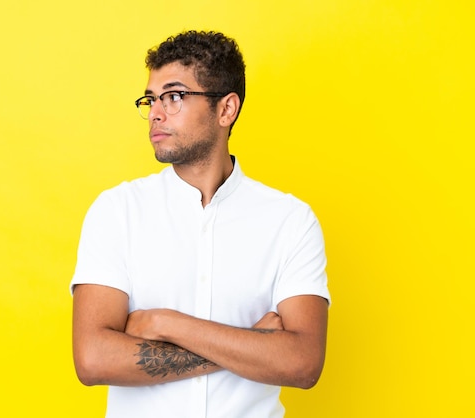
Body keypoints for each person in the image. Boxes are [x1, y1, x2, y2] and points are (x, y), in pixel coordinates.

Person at [70, 30, 330, 418]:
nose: (156, 112)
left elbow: (302, 364)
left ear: (226, 109)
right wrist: (253, 346)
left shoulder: (290, 221)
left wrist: (166, 323)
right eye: (151, 99)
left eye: (174, 96)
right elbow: (93, 359)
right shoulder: (116, 211)